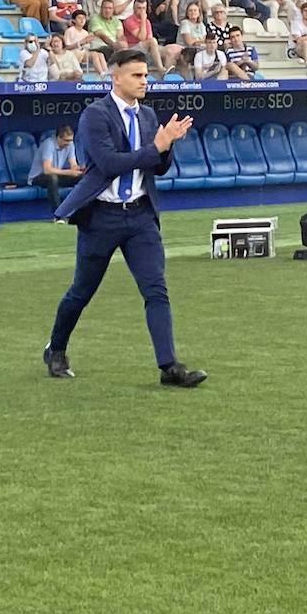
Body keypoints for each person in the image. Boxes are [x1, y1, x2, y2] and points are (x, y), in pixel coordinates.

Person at [46, 49, 206, 388]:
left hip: (140, 216)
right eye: (136, 75)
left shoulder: (148, 116)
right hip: (101, 218)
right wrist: (157, 146)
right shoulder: (95, 115)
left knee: (156, 290)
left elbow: (156, 166)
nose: (143, 81)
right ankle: (56, 349)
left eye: (145, 75)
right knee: (81, 291)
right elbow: (108, 163)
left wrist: (169, 144)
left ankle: (169, 367)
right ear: (115, 76)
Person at [29, 123, 84, 212]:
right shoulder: (49, 144)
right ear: (58, 138)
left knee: (83, 177)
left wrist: (80, 169)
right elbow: (47, 170)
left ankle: (83, 210)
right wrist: (69, 172)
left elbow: (73, 165)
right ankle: (58, 214)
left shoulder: (70, 144)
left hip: (56, 176)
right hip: (38, 177)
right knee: (52, 178)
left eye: (70, 140)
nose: (69, 143)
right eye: (66, 140)